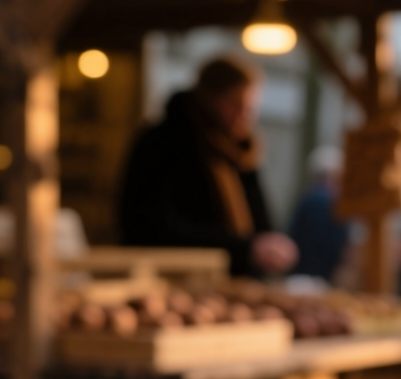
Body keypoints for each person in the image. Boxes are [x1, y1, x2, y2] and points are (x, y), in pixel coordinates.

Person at [117, 56, 298, 275]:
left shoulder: (239, 150)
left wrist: (270, 244)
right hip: (173, 277)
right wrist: (244, 248)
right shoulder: (163, 144)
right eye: (236, 104)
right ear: (210, 99)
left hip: (235, 278)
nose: (244, 116)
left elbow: (259, 220)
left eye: (250, 107)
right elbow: (150, 226)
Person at [288, 145, 351, 281]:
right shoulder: (324, 201)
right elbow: (333, 246)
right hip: (315, 278)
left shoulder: (309, 197)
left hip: (300, 274)